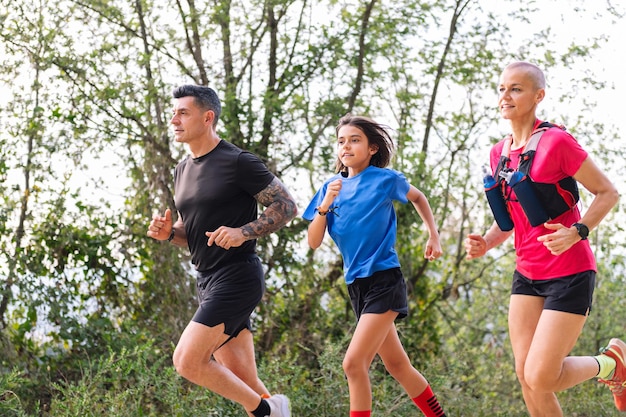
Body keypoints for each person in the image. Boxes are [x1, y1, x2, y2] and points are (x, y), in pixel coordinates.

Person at [464, 61, 623, 416]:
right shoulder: (498, 153)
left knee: (541, 375)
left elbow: (608, 192)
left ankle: (611, 363)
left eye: (516, 89)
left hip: (569, 272)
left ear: (539, 96)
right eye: (503, 88)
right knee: (526, 377)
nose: (506, 95)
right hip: (527, 275)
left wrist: (577, 232)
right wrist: (486, 243)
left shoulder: (556, 142)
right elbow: (508, 223)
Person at [147, 85, 297, 417]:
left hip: (238, 276)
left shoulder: (237, 161)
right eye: (173, 113)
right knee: (247, 383)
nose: (174, 120)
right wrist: (169, 233)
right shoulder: (182, 170)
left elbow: (286, 206)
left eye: (182, 113)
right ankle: (272, 410)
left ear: (207, 117)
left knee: (187, 361)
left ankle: (266, 411)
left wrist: (243, 232)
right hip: (207, 280)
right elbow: (197, 233)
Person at [303, 114, 447, 417]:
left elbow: (419, 198)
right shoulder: (330, 187)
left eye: (355, 140)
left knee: (353, 364)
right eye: (341, 141)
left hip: (384, 280)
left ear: (371, 148)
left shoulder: (385, 180)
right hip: (356, 286)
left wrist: (433, 235)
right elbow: (314, 241)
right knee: (398, 365)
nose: (346, 146)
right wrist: (325, 204)